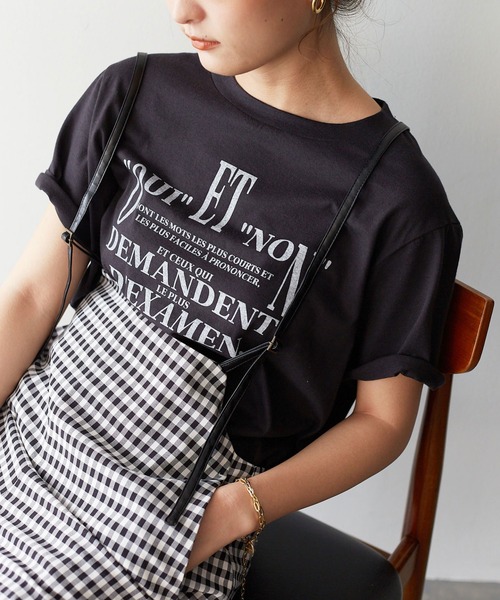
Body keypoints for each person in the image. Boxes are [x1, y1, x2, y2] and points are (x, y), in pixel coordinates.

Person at [0, 0, 462, 598]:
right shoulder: (133, 92)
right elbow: (33, 293)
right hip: (34, 435)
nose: (181, 11)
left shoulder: (398, 203)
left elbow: (383, 422)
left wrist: (233, 512)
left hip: (171, 510)